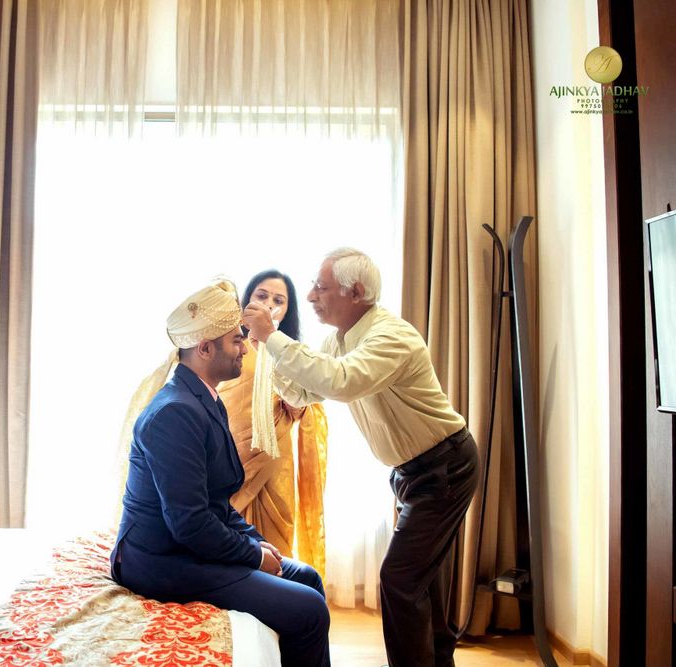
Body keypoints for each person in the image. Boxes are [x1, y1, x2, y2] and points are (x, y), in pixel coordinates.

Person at [242, 248, 479, 667]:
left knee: (400, 580)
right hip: (416, 471)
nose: (311, 296)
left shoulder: (391, 336)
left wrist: (274, 338)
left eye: (321, 287)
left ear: (355, 292)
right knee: (424, 581)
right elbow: (305, 392)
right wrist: (268, 354)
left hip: (444, 468)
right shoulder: (340, 338)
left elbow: (342, 381)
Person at [111, 280, 331, 667]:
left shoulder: (204, 399)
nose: (245, 348)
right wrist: (250, 555)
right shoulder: (175, 414)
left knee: (307, 577)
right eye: (236, 341)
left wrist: (259, 544)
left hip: (187, 546)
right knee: (309, 608)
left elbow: (218, 501)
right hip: (159, 559)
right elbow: (190, 523)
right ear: (205, 348)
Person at [217, 270, 328, 573]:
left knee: (275, 536)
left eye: (279, 301)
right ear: (246, 300)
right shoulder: (229, 343)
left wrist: (296, 402)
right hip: (229, 452)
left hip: (273, 458)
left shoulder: (291, 352)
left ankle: (274, 601)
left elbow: (307, 404)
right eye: (262, 296)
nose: (269, 305)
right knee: (225, 527)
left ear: (287, 310)